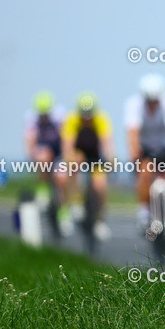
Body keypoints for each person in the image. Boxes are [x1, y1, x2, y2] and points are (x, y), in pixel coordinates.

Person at [124, 74, 165, 232]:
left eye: (155, 100)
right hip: (146, 149)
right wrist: (134, 150)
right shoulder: (133, 104)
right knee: (145, 173)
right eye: (149, 101)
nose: (152, 104)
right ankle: (144, 213)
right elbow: (132, 132)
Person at [61, 92, 115, 240]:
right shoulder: (72, 120)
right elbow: (67, 147)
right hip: (78, 154)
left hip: (95, 156)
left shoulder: (101, 119)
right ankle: (76, 202)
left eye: (89, 116)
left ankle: (100, 218)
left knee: (100, 184)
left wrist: (111, 160)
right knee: (72, 164)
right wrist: (71, 158)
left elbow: (107, 144)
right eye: (83, 116)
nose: (86, 119)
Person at [24, 91, 69, 232]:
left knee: (62, 179)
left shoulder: (60, 116)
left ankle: (64, 212)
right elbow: (30, 141)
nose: (44, 117)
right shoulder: (31, 119)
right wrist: (33, 158)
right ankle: (43, 189)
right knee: (43, 156)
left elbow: (67, 139)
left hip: (59, 153)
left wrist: (66, 159)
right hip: (44, 151)